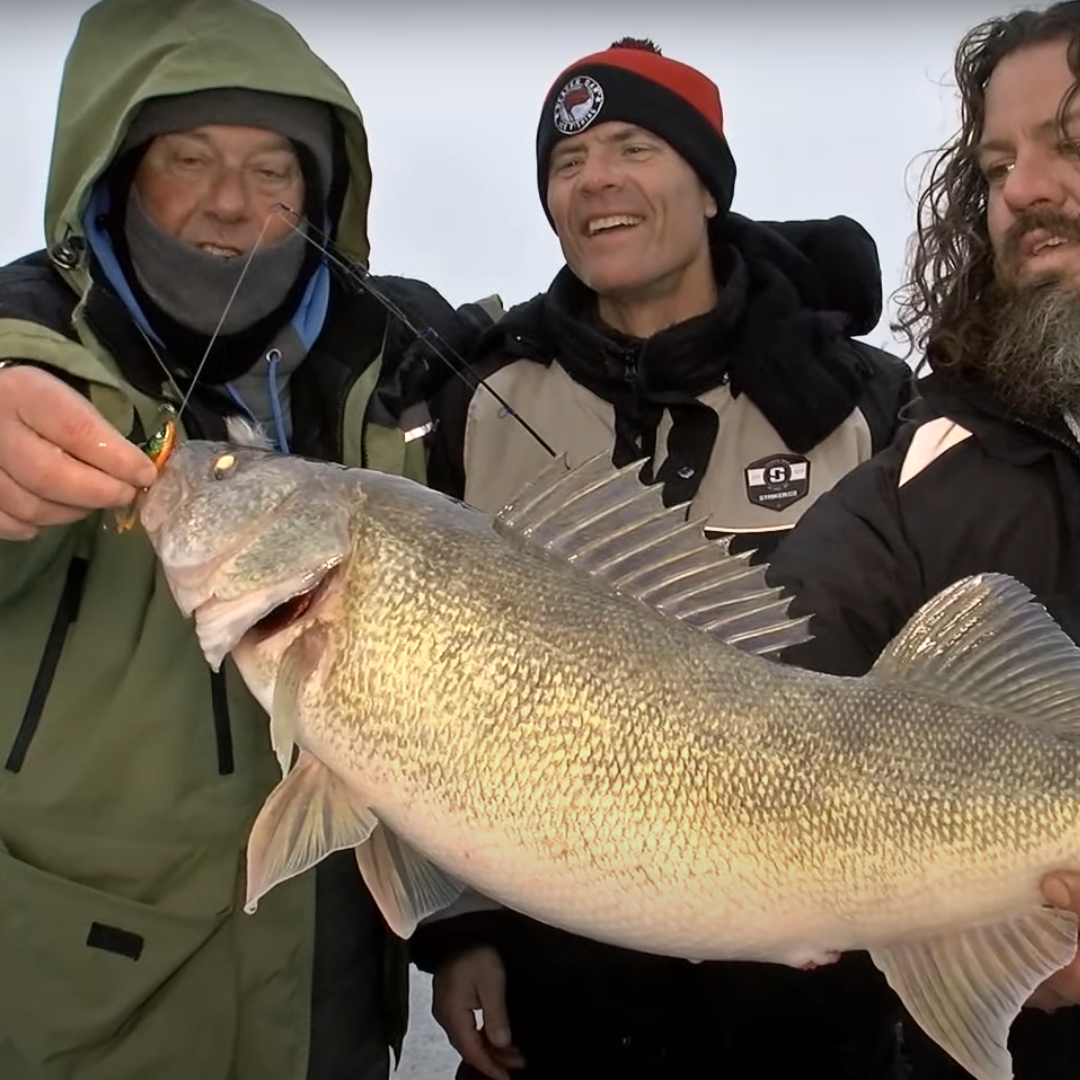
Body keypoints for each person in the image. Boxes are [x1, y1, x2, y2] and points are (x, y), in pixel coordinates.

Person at [0, 1, 494, 1078]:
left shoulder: (403, 369)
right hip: (73, 1022)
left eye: (273, 169)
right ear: (116, 177)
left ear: (316, 200)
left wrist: (462, 931)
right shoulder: (23, 350)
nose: (230, 200)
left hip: (333, 1017)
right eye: (189, 158)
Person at [413, 37, 917, 1080]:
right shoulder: (479, 403)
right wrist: (462, 931)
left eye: (634, 147)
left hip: (810, 996)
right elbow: (429, 702)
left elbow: (940, 671)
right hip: (557, 1001)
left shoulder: (869, 401)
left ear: (709, 184)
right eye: (567, 161)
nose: (596, 178)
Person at [760, 2, 1080, 1076]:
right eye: (997, 166)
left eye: (1071, 143)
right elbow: (761, 693)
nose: (1023, 191)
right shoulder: (917, 484)